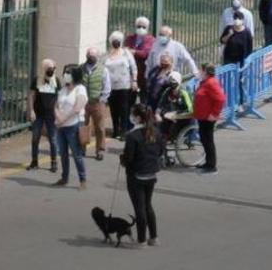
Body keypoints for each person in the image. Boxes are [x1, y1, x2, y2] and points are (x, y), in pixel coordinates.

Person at [120, 104, 165, 248]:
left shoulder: (132, 136)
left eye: (133, 114)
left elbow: (129, 158)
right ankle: (154, 237)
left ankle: (141, 240)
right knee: (148, 206)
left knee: (139, 208)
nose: (131, 116)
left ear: (138, 118)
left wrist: (122, 159)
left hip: (136, 176)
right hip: (151, 175)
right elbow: (160, 152)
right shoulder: (156, 132)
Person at [54, 65, 87, 189]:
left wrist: (63, 119)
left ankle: (82, 180)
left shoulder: (80, 89)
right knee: (63, 153)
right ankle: (64, 178)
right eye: (65, 73)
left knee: (77, 154)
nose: (65, 75)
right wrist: (58, 118)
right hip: (61, 127)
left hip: (73, 126)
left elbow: (77, 108)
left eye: (68, 73)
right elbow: (56, 106)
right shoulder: (63, 89)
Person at [26, 59, 60, 172]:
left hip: (51, 115)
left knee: (53, 139)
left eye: (53, 68)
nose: (52, 71)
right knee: (35, 138)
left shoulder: (56, 81)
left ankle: (54, 162)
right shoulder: (37, 80)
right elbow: (31, 95)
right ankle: (34, 161)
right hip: (38, 114)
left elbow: (59, 98)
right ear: (44, 69)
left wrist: (58, 113)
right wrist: (31, 110)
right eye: (50, 69)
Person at [193, 63, 225, 175]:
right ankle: (208, 162)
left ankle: (211, 165)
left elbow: (220, 99)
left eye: (201, 70)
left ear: (205, 71)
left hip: (208, 117)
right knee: (204, 139)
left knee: (208, 140)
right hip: (203, 116)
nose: (199, 72)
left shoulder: (211, 83)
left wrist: (214, 113)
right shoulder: (205, 82)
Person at [104, 32, 138, 140]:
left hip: (124, 85)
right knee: (113, 109)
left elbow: (134, 68)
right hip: (111, 87)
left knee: (124, 109)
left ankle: (124, 131)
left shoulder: (126, 53)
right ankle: (115, 130)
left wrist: (134, 81)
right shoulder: (107, 55)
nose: (116, 42)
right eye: (114, 40)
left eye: (118, 40)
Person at [80, 47, 111, 161]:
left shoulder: (103, 70)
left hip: (98, 102)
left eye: (92, 56)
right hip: (83, 103)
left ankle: (100, 150)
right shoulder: (81, 68)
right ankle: (82, 148)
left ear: (97, 57)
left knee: (100, 127)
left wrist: (102, 99)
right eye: (88, 55)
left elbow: (107, 87)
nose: (90, 57)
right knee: (83, 126)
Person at [124, 16, 155, 110]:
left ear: (147, 28)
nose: (141, 28)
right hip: (131, 74)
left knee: (144, 99)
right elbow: (125, 51)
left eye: (143, 27)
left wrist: (134, 52)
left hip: (143, 73)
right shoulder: (130, 38)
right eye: (139, 26)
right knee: (129, 99)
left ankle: (144, 119)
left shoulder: (151, 40)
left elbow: (145, 53)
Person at [155, 71, 193, 144]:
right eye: (170, 81)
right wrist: (157, 114)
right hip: (172, 116)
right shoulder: (167, 91)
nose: (171, 84)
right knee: (160, 123)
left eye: (173, 81)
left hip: (185, 117)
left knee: (173, 127)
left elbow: (190, 109)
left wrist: (176, 115)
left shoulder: (184, 92)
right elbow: (160, 105)